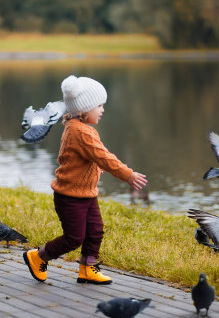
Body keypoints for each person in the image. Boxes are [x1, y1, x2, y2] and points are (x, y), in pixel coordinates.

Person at [23, 75, 148, 285]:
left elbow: (83, 160)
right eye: (99, 105)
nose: (102, 110)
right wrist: (127, 174)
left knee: (95, 230)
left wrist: (96, 171)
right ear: (84, 108)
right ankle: (38, 257)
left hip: (86, 194)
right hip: (70, 196)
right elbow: (103, 156)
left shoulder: (78, 128)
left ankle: (88, 269)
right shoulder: (81, 132)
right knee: (74, 238)